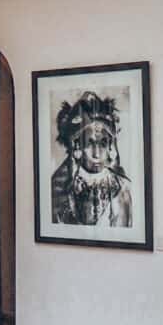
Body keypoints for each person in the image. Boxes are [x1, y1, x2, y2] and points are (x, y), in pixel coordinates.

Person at [51, 91, 132, 228]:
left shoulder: (123, 187)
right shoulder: (61, 188)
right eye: (90, 144)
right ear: (77, 147)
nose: (97, 153)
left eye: (103, 144)